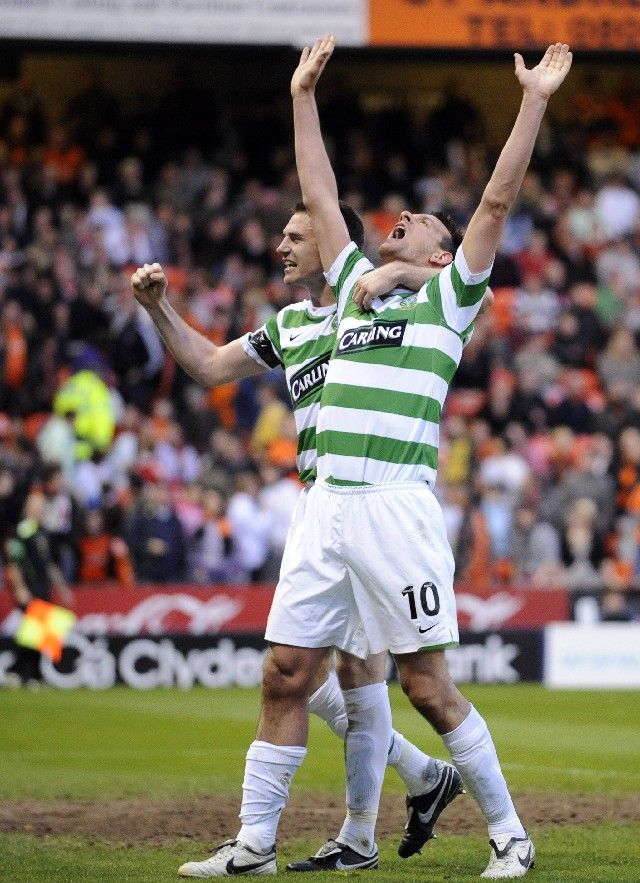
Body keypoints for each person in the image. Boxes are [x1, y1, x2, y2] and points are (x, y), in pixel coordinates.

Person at [262, 35, 571, 879]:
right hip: (332, 506)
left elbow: (498, 204)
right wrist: (302, 95)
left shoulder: (450, 295)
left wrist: (534, 101)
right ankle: (281, 842)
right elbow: (320, 191)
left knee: (426, 688)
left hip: (398, 505)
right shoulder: (354, 282)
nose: (411, 218)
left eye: (429, 221)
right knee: (299, 666)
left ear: (441, 252)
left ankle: (511, 836)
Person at [131, 203, 463, 877]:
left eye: (294, 236)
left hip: (373, 504)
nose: (280, 246)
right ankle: (415, 783)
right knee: (306, 675)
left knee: (338, 675)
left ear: (330, 244)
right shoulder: (291, 325)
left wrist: (393, 266)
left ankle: (358, 831)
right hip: (321, 510)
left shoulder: (377, 297)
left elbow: (460, 281)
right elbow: (211, 366)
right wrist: (159, 308)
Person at [4, 489, 74, 687]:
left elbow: (49, 563)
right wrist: (19, 588)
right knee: (33, 634)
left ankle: (30, 674)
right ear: (28, 508)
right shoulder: (22, 530)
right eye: (37, 505)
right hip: (30, 588)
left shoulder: (43, 531)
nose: (40, 509)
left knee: (41, 635)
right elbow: (14, 562)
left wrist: (62, 588)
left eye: (42, 505)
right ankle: (19, 671)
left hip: (43, 589)